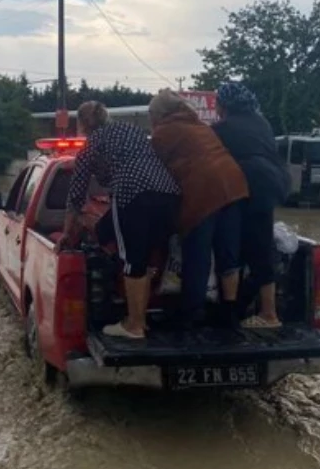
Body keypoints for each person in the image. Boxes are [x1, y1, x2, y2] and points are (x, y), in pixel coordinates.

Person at [62, 100, 181, 339]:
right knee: (147, 259)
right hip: (169, 193)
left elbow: (75, 194)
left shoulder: (92, 145)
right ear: (107, 116)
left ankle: (134, 325)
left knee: (132, 261)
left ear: (84, 124)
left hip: (132, 194)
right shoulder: (133, 131)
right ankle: (141, 320)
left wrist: (67, 233)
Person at [148, 88, 249, 329]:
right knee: (228, 253)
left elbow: (154, 174)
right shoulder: (201, 126)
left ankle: (192, 314)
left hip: (203, 194)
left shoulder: (164, 133)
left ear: (158, 114)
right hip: (234, 187)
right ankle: (229, 313)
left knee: (198, 255)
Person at [211, 82, 290, 328]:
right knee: (261, 246)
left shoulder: (222, 128)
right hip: (273, 184)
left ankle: (234, 313)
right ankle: (268, 312)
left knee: (230, 247)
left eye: (218, 103)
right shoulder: (262, 123)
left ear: (224, 105)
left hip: (245, 187)